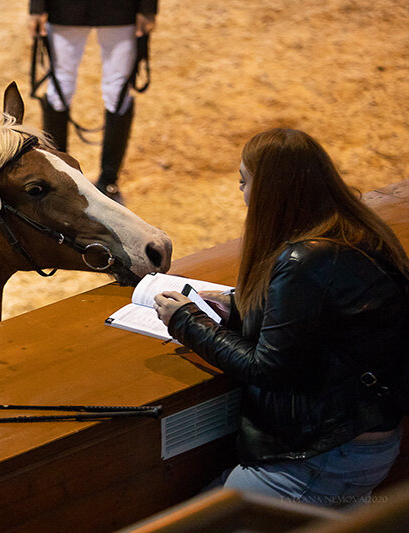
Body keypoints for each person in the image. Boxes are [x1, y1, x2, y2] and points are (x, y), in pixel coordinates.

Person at [152, 129, 409, 507]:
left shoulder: (303, 261)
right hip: (363, 443)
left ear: (271, 192)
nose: (242, 194)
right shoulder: (356, 231)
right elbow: (322, 314)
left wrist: (186, 320)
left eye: (244, 182)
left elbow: (268, 367)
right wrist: (237, 304)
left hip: (318, 460)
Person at [28, 0, 158, 204]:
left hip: (120, 11)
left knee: (119, 92)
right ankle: (59, 179)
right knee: (59, 88)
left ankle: (109, 183)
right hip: (65, 10)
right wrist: (37, 7)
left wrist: (147, 8)